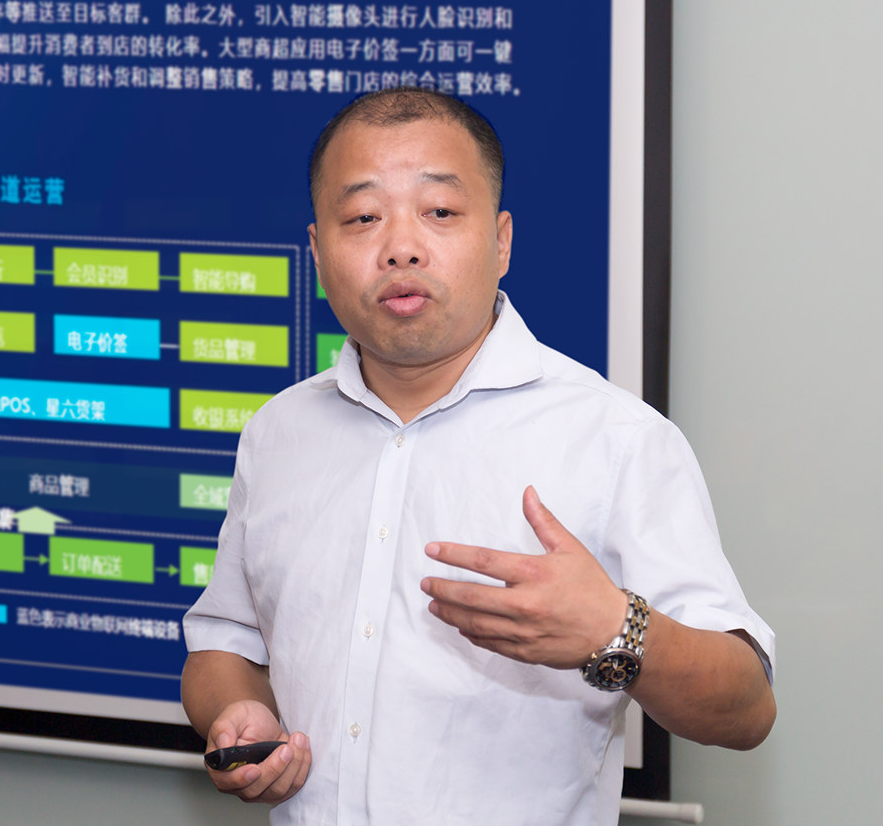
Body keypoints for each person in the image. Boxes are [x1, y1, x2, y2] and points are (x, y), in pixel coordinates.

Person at [181, 88, 775, 824]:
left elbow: (747, 708)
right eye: (363, 217)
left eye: (439, 211)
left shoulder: (616, 439)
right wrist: (238, 714)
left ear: (501, 242)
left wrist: (615, 629)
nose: (400, 246)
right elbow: (224, 643)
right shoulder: (278, 431)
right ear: (317, 251)